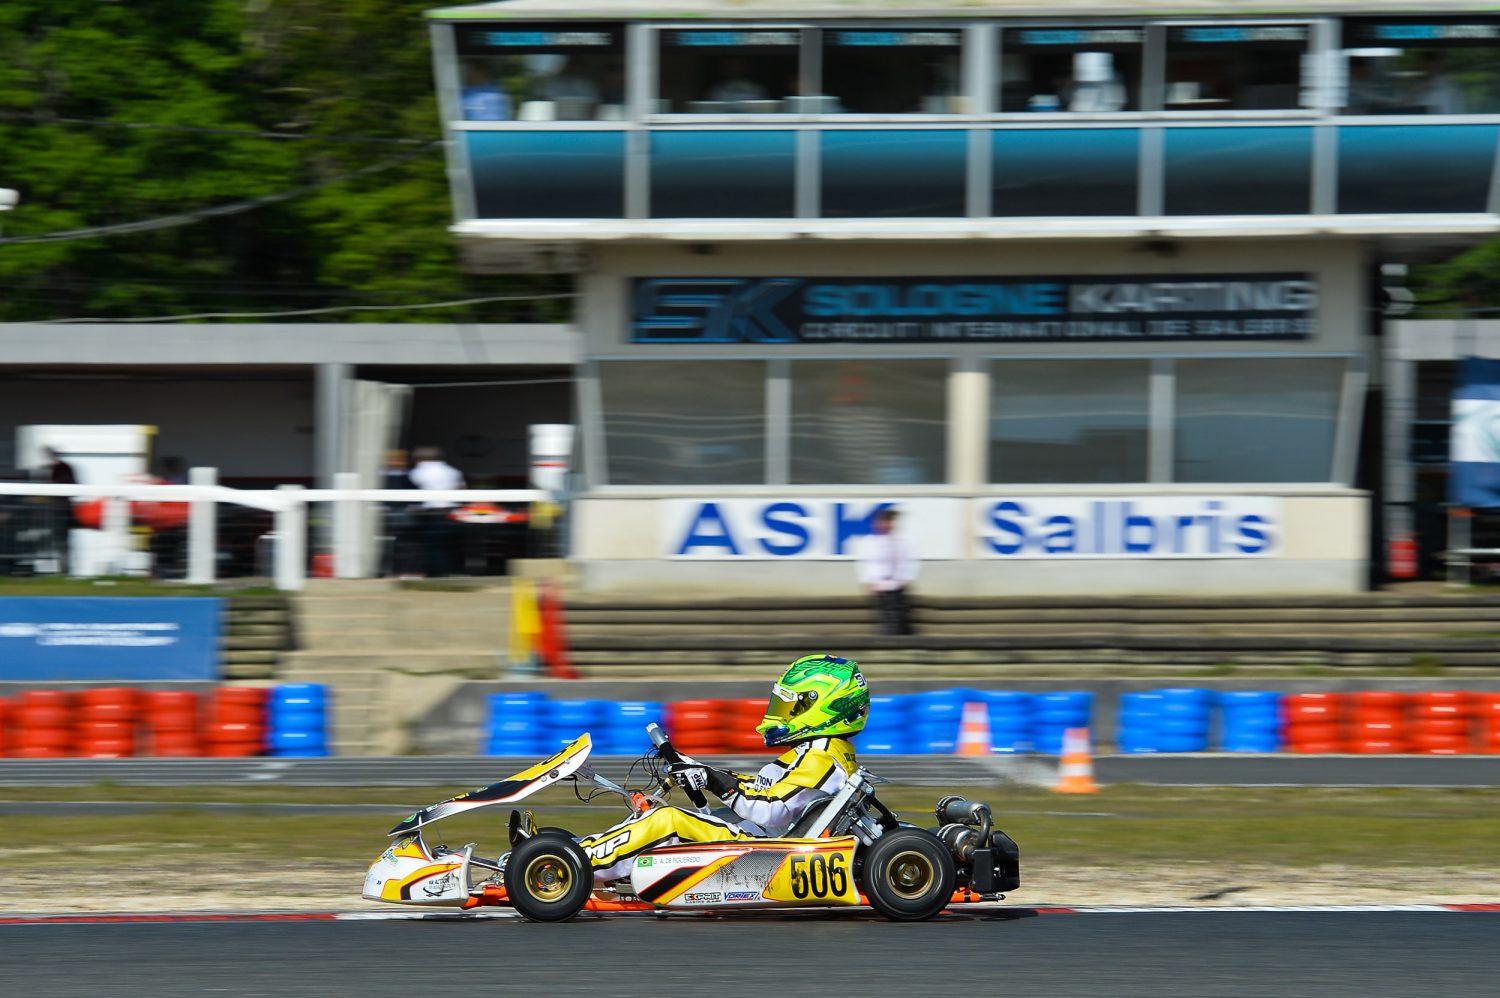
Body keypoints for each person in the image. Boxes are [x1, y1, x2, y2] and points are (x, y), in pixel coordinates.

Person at [564, 654, 869, 886]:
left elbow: (771, 809)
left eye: (790, 705)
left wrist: (713, 780)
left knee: (666, 819)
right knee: (657, 815)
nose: (780, 713)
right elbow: (767, 788)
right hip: (759, 839)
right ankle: (573, 848)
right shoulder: (821, 753)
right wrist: (702, 770)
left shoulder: (820, 759)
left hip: (763, 853)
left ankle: (569, 865)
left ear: (821, 708)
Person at [857, 507, 917, 636]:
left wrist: (905, 578)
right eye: (884, 522)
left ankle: (897, 638)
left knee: (898, 614)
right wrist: (868, 580)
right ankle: (889, 639)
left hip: (896, 583)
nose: (887, 525)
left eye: (889, 522)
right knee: (887, 614)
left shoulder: (900, 542)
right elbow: (864, 562)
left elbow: (907, 560)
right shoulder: (870, 542)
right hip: (880, 583)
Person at [408, 446, 465, 577]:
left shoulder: (418, 472)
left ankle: (436, 574)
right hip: (452, 512)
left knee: (432, 545)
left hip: (430, 513)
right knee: (451, 545)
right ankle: (453, 572)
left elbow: (413, 492)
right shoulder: (453, 471)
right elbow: (461, 488)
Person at [38, 447, 77, 575]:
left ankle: (64, 570)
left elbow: (72, 486)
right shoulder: (47, 469)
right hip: (50, 511)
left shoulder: (64, 469)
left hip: (61, 510)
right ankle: (56, 570)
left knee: (61, 542)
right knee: (53, 542)